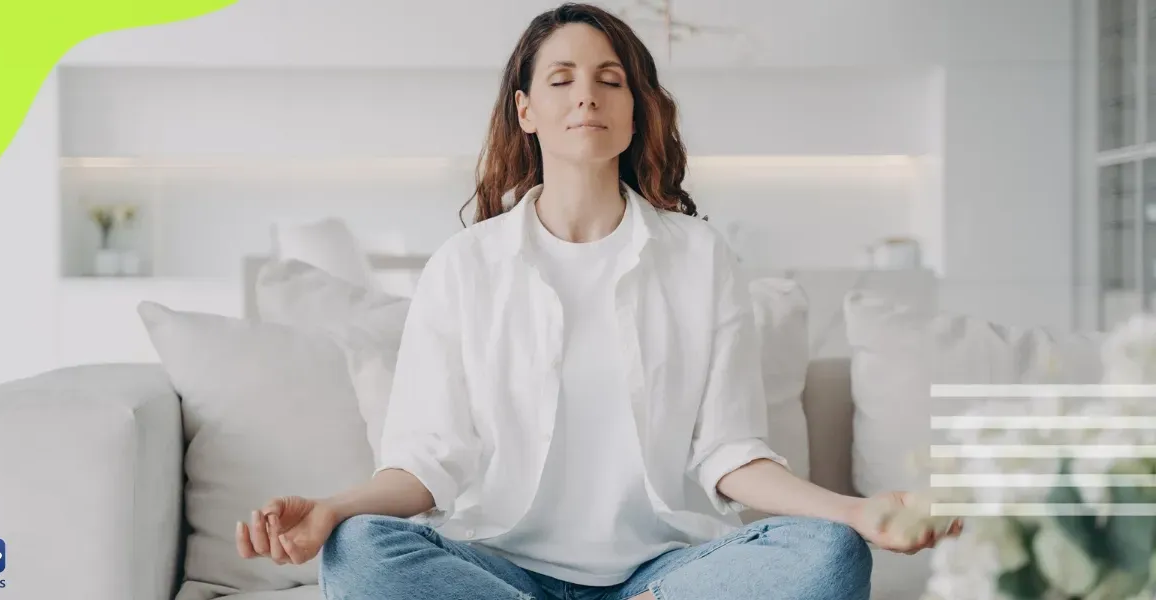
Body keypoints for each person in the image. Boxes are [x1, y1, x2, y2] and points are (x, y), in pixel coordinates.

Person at [236, 4, 961, 599]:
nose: (587, 93)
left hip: (666, 575)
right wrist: (334, 508)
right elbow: (427, 462)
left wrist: (855, 512)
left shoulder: (700, 256)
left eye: (610, 79)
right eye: (562, 78)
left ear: (635, 109)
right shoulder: (464, 266)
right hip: (500, 566)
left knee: (829, 557)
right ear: (525, 110)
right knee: (358, 551)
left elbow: (731, 453)